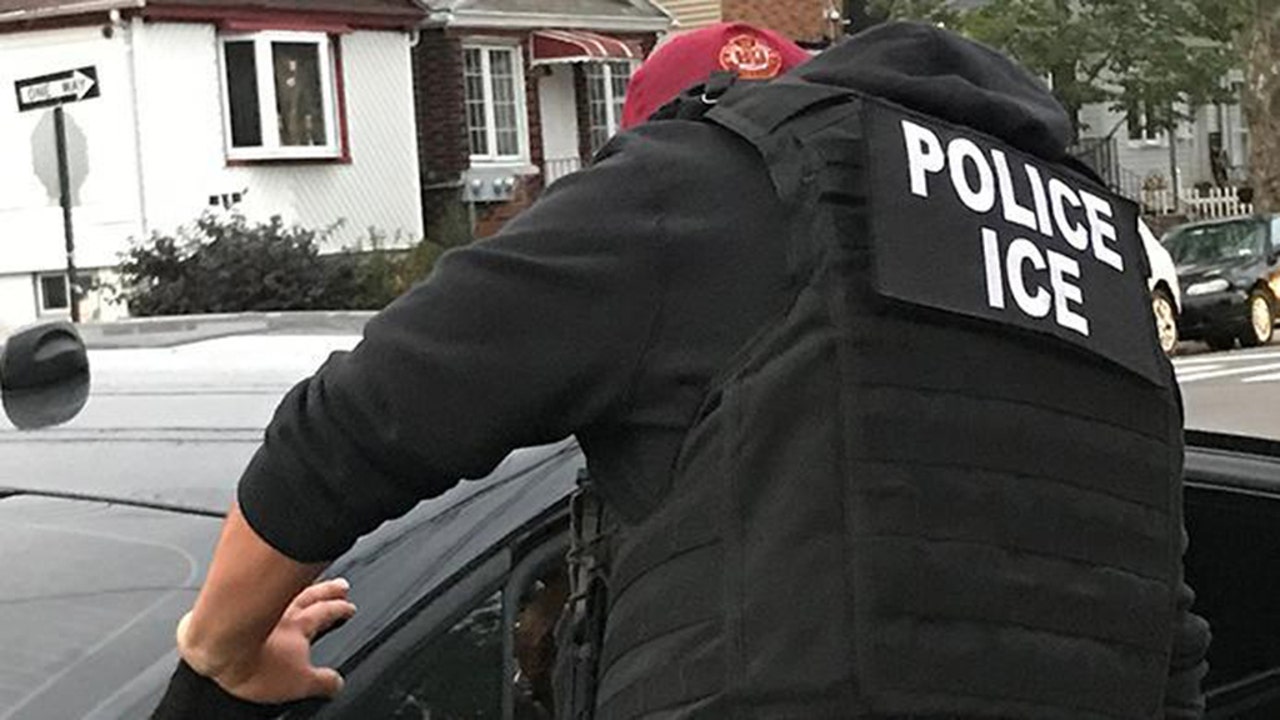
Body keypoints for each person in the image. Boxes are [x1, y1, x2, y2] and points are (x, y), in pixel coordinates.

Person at [153, 20, 1209, 720]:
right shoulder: (1098, 263)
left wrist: (222, 654)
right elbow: (1166, 635)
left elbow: (349, 427)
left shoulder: (700, 182)